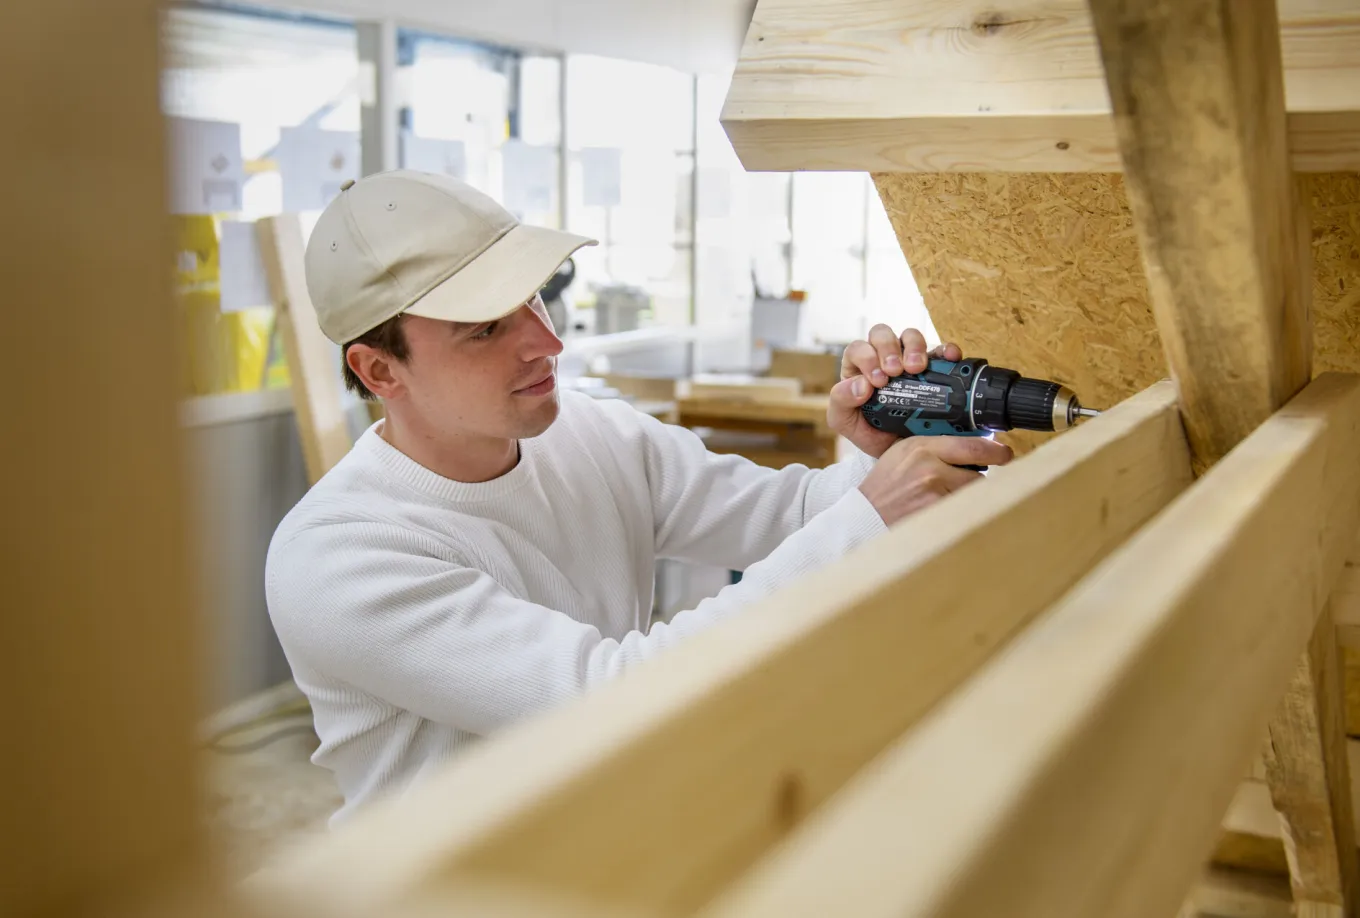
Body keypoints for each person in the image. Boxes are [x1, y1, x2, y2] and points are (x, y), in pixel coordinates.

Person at [264, 169, 1011, 823]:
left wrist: (877, 455)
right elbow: (609, 698)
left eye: (536, 300)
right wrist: (873, 510)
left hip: (609, 843)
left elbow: (799, 520)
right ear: (379, 371)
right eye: (487, 328)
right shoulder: (341, 557)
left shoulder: (590, 435)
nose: (545, 343)